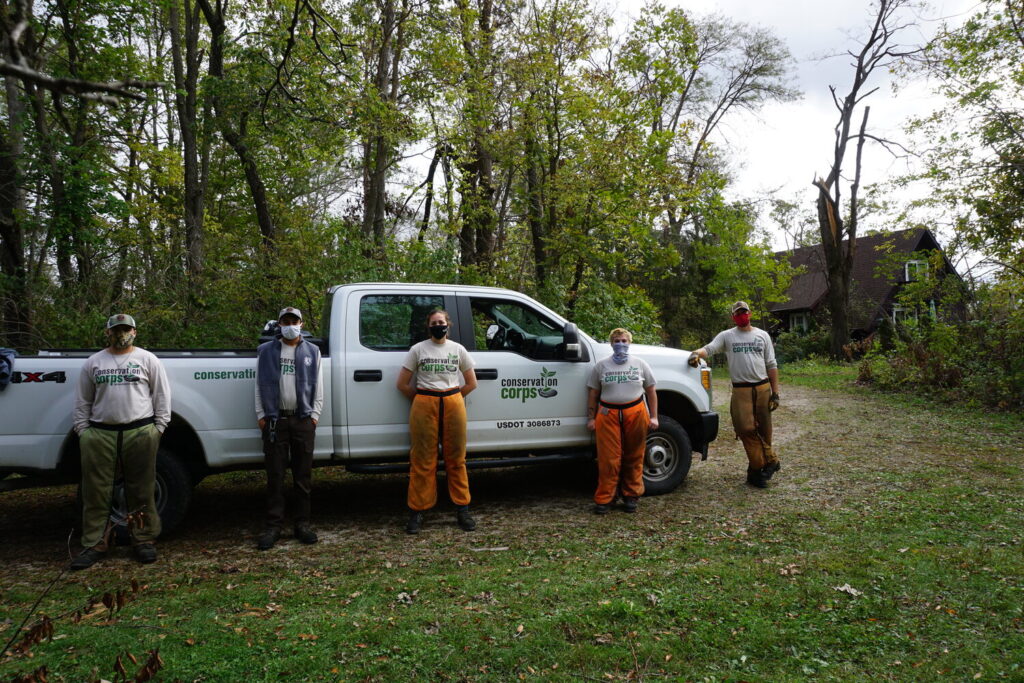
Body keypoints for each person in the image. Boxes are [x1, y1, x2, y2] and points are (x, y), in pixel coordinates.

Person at [70, 314, 170, 570]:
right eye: (116, 330)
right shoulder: (94, 362)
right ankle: (95, 542)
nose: (121, 334)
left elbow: (161, 395)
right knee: (96, 490)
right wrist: (84, 431)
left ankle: (143, 540)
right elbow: (83, 401)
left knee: (142, 488)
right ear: (108, 333)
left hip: (140, 430)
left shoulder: (147, 359)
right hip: (100, 433)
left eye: (126, 329)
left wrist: (158, 428)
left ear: (134, 332)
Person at [396, 309, 478, 534]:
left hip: (452, 401)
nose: (438, 325)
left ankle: (463, 509)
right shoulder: (418, 349)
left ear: (447, 325)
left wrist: (453, 398)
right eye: (434, 323)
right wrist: (422, 399)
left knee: (457, 458)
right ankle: (417, 510)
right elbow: (402, 384)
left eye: (441, 322)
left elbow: (471, 382)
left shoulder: (457, 349)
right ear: (428, 326)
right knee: (423, 459)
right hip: (425, 402)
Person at [689, 301, 781, 488]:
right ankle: (771, 461)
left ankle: (756, 472)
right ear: (733, 317)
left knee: (765, 431)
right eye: (738, 313)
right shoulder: (728, 336)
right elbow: (710, 348)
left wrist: (775, 392)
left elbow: (771, 364)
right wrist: (696, 353)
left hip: (762, 388)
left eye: (744, 312)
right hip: (741, 390)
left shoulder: (762, 335)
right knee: (745, 429)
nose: (742, 315)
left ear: (750, 313)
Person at [255, 306, 323, 550]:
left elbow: (319, 388)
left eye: (294, 320)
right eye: (286, 320)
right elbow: (258, 385)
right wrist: (262, 415)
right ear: (280, 324)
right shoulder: (266, 351)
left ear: (301, 324)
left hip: (303, 420)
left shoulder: (312, 351)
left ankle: (302, 524)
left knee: (303, 476)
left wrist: (314, 416)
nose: (290, 324)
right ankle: (273, 526)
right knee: (275, 476)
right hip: (275, 421)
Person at [586, 328, 658, 514]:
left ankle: (631, 495)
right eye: (617, 340)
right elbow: (593, 393)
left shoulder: (640, 364)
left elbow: (651, 391)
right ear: (611, 343)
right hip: (607, 414)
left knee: (634, 456)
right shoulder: (601, 366)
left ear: (629, 343)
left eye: (624, 341)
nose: (621, 344)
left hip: (635, 412)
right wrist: (591, 418)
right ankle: (606, 498)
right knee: (609, 459)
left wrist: (654, 416)